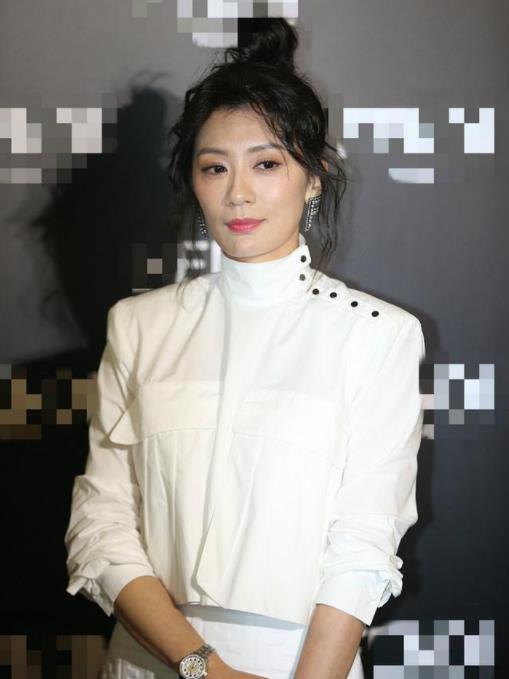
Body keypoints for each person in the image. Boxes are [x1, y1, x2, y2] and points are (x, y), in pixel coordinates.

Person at [64, 17, 425, 679]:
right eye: (214, 168)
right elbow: (101, 523)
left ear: (313, 177)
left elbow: (363, 543)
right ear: (193, 182)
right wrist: (203, 666)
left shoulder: (378, 334)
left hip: (302, 662)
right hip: (151, 657)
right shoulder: (138, 325)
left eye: (266, 163)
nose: (238, 193)